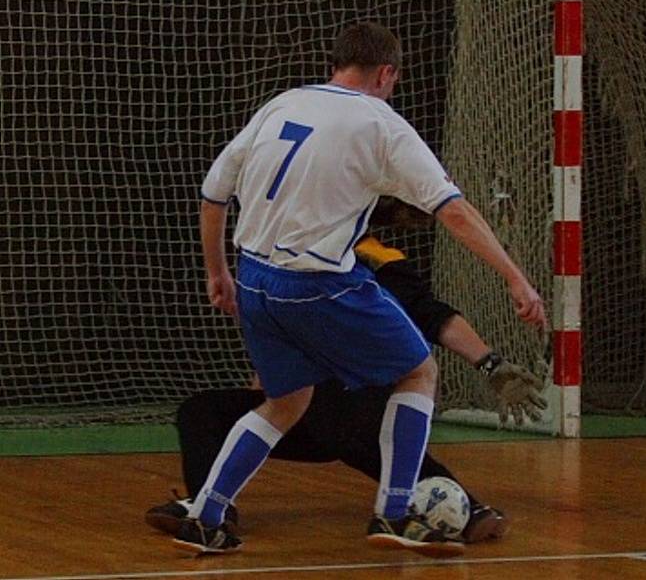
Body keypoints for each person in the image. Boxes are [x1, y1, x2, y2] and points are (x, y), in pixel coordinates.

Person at [179, 21, 547, 557]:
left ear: (338, 62)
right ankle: (395, 512)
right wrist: (516, 278)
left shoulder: (284, 103)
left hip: (254, 279)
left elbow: (214, 194)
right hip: (317, 284)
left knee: (287, 401)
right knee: (419, 371)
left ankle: (205, 518)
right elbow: (456, 212)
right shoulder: (381, 123)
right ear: (387, 73)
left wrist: (219, 274)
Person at [146, 233, 548, 544]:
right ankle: (208, 508)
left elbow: (431, 315)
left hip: (358, 406)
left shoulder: (374, 257)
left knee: (362, 431)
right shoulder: (282, 258)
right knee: (201, 411)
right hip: (298, 407)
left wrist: (490, 364)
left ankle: (467, 508)